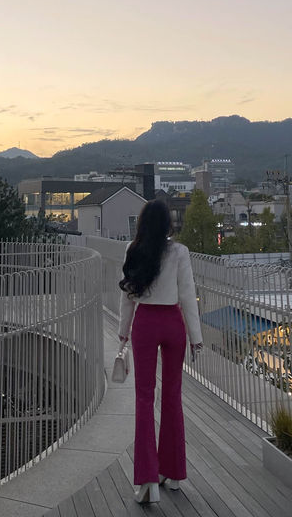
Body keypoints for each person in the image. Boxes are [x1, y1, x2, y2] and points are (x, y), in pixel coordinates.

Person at [118, 199, 203, 504]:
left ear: (142, 223)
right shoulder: (179, 252)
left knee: (144, 398)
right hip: (173, 324)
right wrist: (196, 337)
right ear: (168, 223)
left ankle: (148, 479)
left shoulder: (133, 249)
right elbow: (187, 294)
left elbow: (128, 297)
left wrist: (122, 333)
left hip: (145, 324)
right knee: (172, 397)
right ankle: (174, 472)